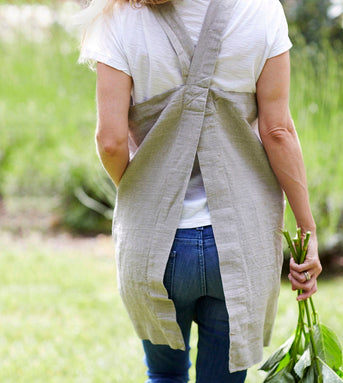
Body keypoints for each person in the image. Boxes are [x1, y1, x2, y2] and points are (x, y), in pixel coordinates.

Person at [77, 0, 322, 381]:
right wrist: (307, 227)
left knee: (165, 374)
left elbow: (110, 141)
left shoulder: (119, 17)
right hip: (240, 241)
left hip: (159, 248)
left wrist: (143, 197)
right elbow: (278, 131)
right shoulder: (261, 10)